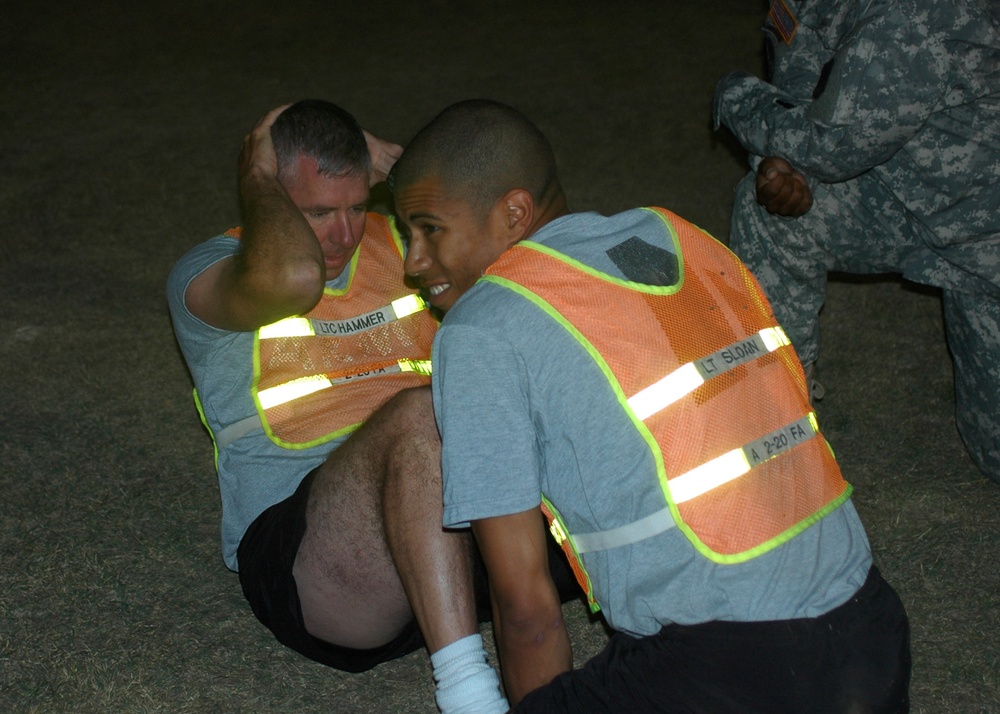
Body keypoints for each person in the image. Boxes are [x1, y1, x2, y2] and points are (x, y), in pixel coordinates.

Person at [390, 99, 912, 711]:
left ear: (513, 213)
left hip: (734, 668)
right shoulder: (675, 233)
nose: (412, 263)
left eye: (429, 229)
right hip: (873, 637)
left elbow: (527, 609)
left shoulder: (483, 326)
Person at [166, 100, 576, 713]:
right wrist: (253, 173)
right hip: (321, 563)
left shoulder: (406, 247)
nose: (343, 233)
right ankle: (468, 695)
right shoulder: (210, 274)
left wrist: (403, 165)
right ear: (268, 196)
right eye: (316, 211)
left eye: (357, 205)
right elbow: (298, 278)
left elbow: (512, 225)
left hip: (456, 526)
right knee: (417, 416)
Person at [712, 0, 1000, 482]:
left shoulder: (917, 17)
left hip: (986, 232)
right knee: (772, 211)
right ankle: (780, 418)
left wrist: (734, 95)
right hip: (903, 181)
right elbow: (804, 64)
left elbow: (830, 141)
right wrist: (796, 171)